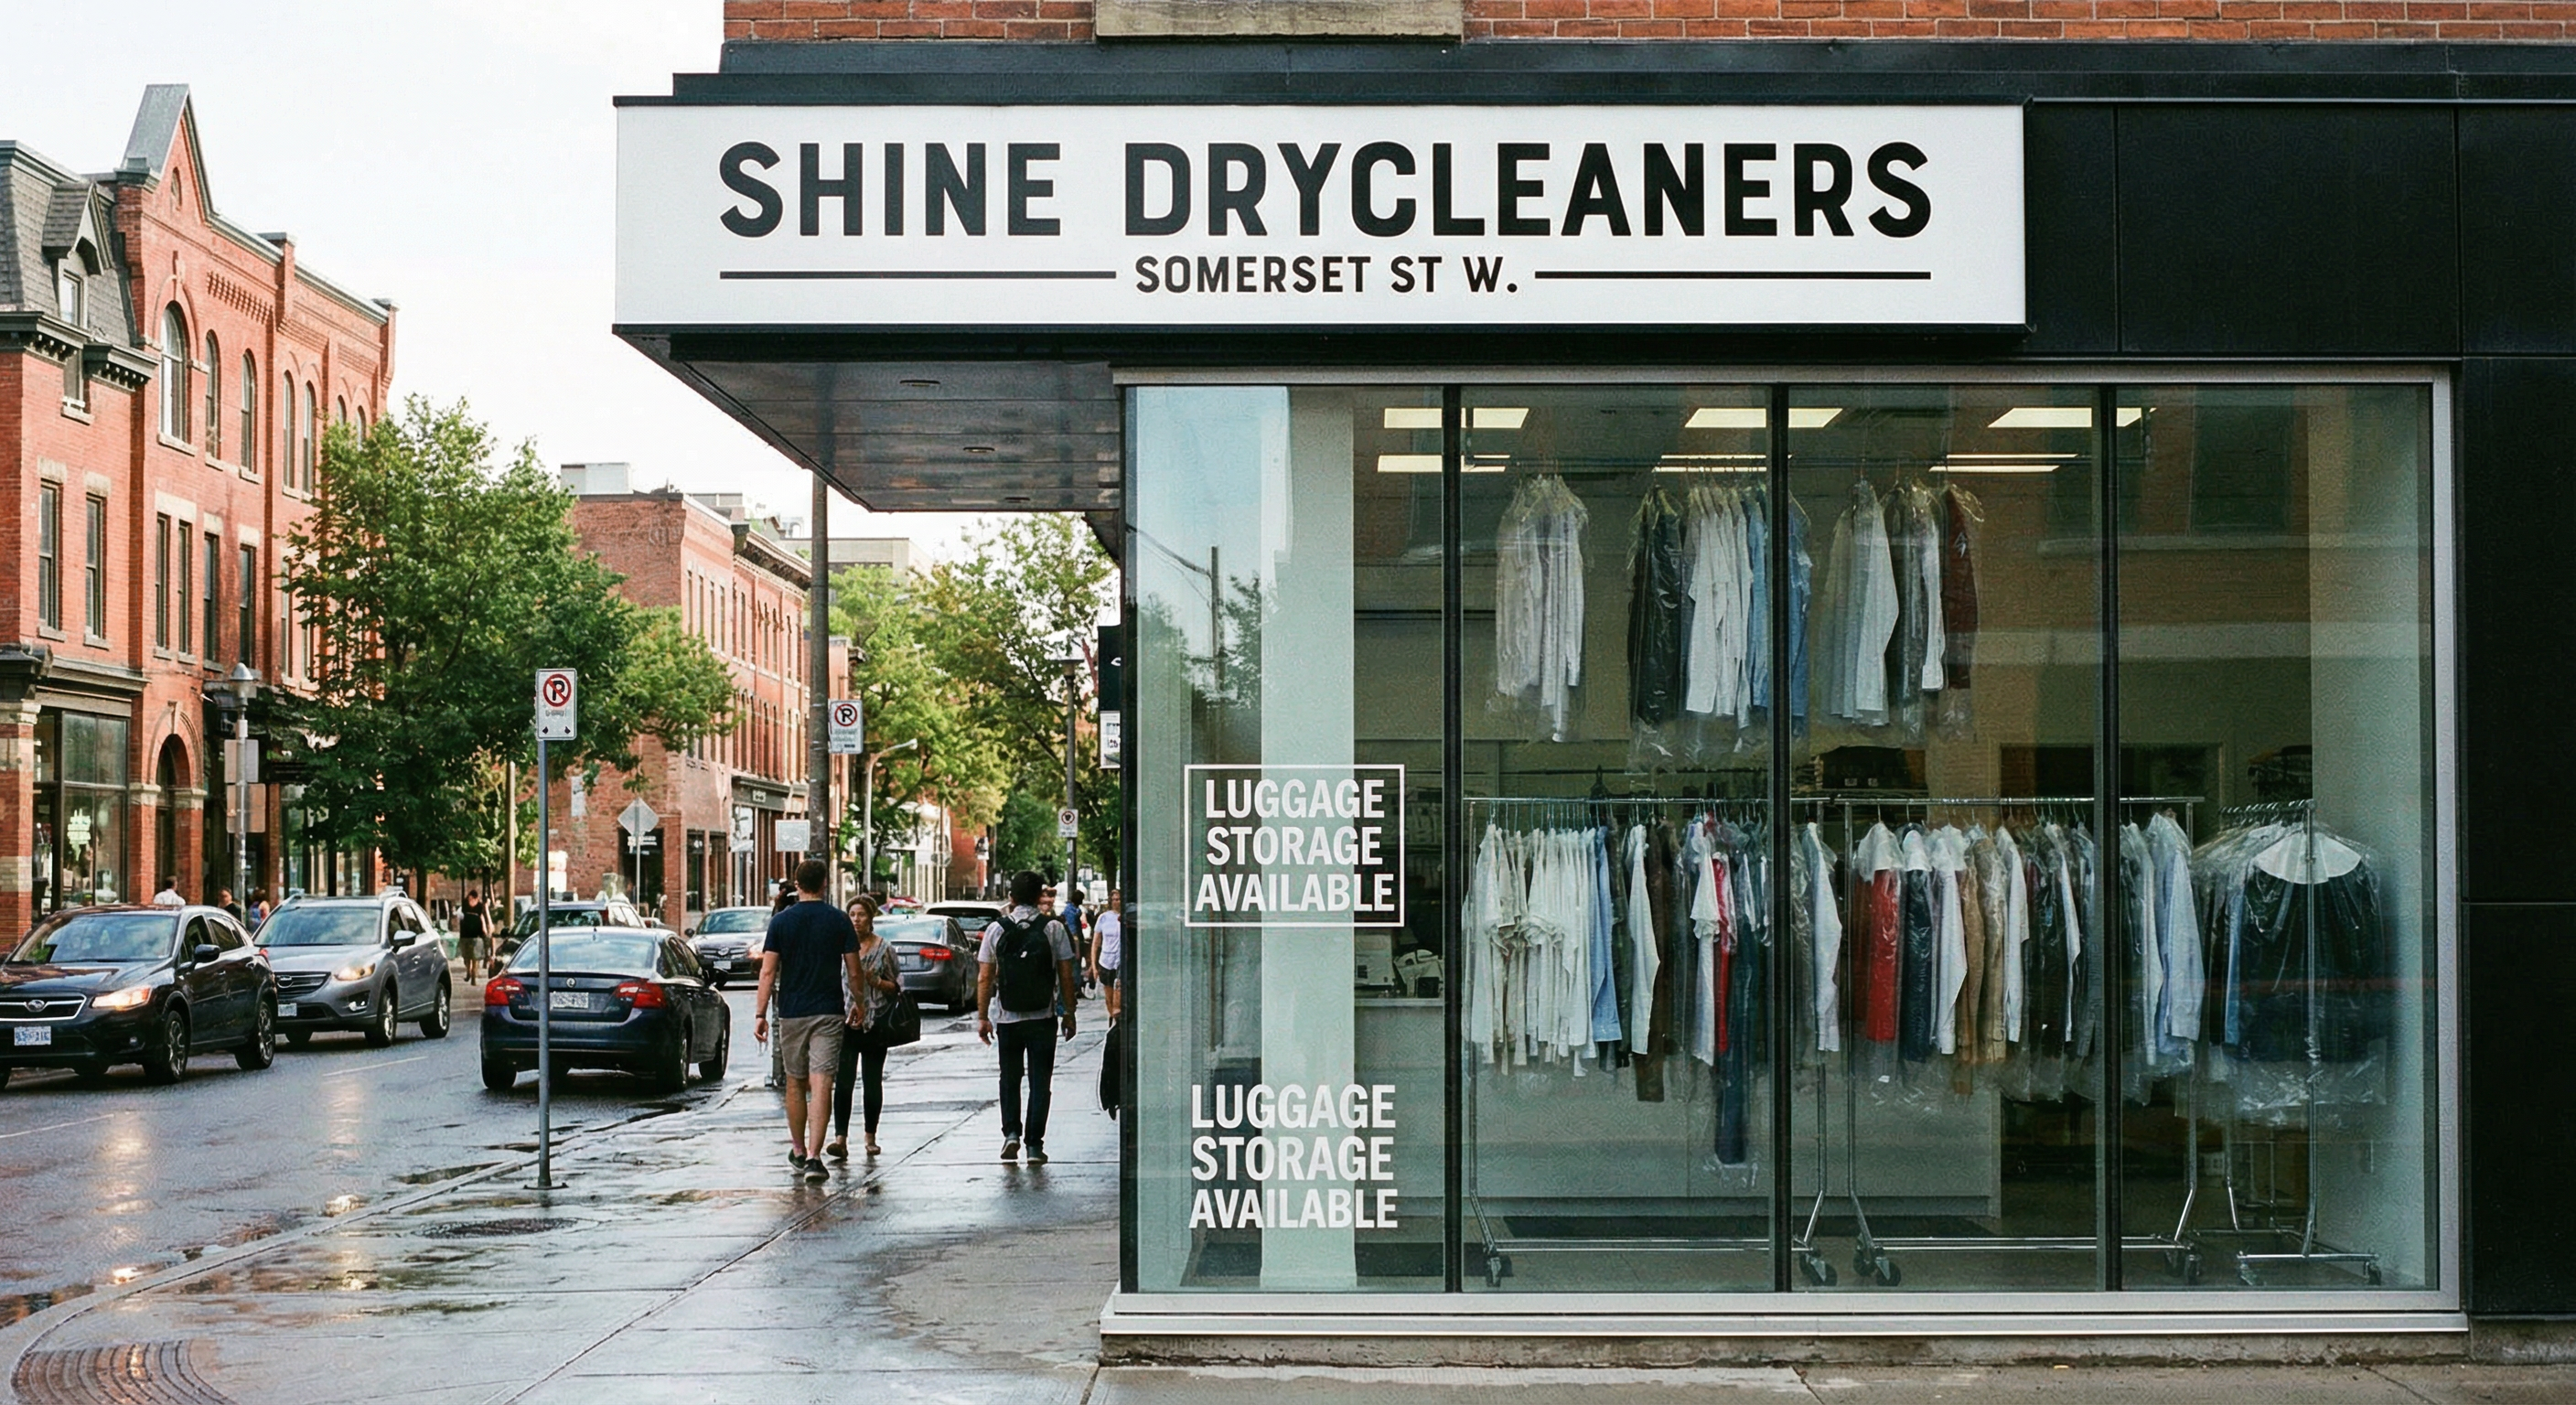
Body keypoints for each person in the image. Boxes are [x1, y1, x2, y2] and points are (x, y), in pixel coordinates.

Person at [754, 860, 864, 1182]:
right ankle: (816, 1158)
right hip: (829, 1010)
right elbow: (854, 970)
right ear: (825, 884)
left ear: (797, 885)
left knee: (795, 1081)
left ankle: (799, 1150)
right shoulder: (839, 920)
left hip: (791, 1011)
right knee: (822, 1082)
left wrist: (760, 1013)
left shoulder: (781, 922)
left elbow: (768, 971)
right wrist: (860, 1003)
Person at [977, 870, 1079, 1164]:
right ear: (1039, 897)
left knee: (1009, 1078)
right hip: (1042, 1017)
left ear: (1010, 897)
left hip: (1007, 1019)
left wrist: (983, 1017)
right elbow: (1066, 974)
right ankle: (1034, 1144)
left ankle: (1011, 1134)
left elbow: (985, 977)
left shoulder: (996, 929)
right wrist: (1068, 1013)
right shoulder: (1053, 929)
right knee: (1040, 1081)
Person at [827, 895, 900, 1161]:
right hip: (846, 1022)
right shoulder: (839, 948)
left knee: (872, 1081)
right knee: (844, 1082)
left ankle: (870, 1137)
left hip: (875, 1022)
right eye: (852, 914)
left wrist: (878, 982)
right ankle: (840, 1139)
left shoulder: (884, 948)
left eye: (861, 914)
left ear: (871, 917)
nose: (856, 920)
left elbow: (897, 987)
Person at [1088, 887, 1123, 1023]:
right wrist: (1094, 965)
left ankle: (1117, 1018)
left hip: (1120, 960)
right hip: (1106, 960)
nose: (1116, 902)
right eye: (1114, 900)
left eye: (1119, 899)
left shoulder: (1124, 918)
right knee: (1108, 996)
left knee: (1118, 997)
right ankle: (1112, 1021)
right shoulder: (1104, 918)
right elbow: (1096, 943)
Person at [456, 891, 490, 980]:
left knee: (475, 955)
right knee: (467, 955)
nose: (470, 901)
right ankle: (468, 972)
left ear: (476, 899)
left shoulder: (480, 907)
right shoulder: (464, 906)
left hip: (477, 932)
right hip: (466, 932)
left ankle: (474, 974)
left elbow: (482, 918)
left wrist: (484, 930)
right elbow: (461, 918)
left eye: (472, 899)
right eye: (469, 899)